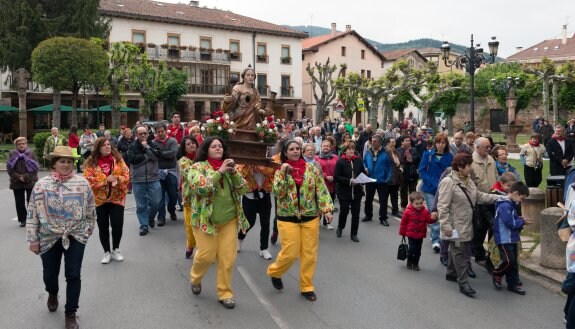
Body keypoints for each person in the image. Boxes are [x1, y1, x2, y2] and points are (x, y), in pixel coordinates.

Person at [26, 146, 96, 329]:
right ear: (54, 164)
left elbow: (90, 208)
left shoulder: (82, 183)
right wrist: (33, 239)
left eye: (69, 161)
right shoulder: (41, 185)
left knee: (73, 274)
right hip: (49, 236)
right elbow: (32, 212)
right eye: (62, 161)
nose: (66, 165)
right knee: (50, 274)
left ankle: (71, 313)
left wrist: (89, 228)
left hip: (75, 234)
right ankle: (52, 292)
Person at [267, 140, 333, 302]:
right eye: (292, 149)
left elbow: (321, 188)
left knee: (309, 254)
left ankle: (306, 286)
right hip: (287, 217)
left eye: (298, 149)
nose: (296, 151)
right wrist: (283, 173)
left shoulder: (311, 168)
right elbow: (277, 192)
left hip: (310, 216)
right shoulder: (279, 170)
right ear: (285, 152)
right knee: (290, 252)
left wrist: (327, 209)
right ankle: (275, 271)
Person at [187, 137, 249, 309]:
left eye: (220, 146)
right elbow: (203, 189)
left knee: (227, 259)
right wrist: (220, 172)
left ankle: (225, 293)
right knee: (206, 255)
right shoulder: (196, 168)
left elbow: (244, 188)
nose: (218, 148)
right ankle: (196, 277)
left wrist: (234, 173)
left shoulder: (231, 168)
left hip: (229, 220)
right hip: (205, 220)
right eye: (214, 146)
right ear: (206, 150)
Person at [437, 153, 501, 297]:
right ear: (460, 167)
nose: (471, 168)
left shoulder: (468, 180)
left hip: (467, 223)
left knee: (458, 249)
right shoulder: (448, 182)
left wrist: (500, 198)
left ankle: (451, 273)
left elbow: (479, 196)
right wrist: (446, 226)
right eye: (469, 165)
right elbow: (442, 206)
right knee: (460, 252)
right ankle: (463, 282)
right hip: (455, 227)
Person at [83, 138, 130, 264]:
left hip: (117, 198)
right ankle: (106, 252)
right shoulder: (91, 163)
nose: (107, 147)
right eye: (104, 145)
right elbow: (87, 180)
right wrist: (105, 181)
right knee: (103, 227)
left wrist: (116, 179)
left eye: (109, 144)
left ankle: (116, 249)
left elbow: (126, 176)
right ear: (98, 148)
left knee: (117, 225)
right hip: (99, 200)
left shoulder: (119, 161)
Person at [491, 182, 531, 295]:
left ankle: (512, 283)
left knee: (513, 262)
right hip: (504, 238)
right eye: (521, 198)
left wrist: (519, 218)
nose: (521, 201)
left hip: (512, 237)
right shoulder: (505, 205)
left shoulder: (510, 204)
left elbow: (512, 218)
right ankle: (497, 273)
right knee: (508, 261)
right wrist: (522, 222)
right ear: (516, 193)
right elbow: (510, 223)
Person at [418, 133, 453, 252]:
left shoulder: (449, 156)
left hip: (444, 189)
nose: (440, 145)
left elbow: (451, 172)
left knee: (444, 213)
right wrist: (430, 182)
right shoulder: (428, 154)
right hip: (430, 188)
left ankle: (441, 236)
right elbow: (422, 170)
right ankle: (436, 240)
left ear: (446, 144)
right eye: (438, 142)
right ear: (435, 143)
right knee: (434, 212)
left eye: (443, 143)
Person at [236, 163, 276, 259]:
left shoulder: (267, 163)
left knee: (265, 223)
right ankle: (240, 237)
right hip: (249, 196)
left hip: (264, 195)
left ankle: (264, 249)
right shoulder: (243, 164)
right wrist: (249, 166)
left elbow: (271, 171)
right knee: (249, 222)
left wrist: (258, 167)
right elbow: (240, 174)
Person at [127, 125, 161, 236]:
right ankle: (144, 225)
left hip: (153, 178)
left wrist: (146, 148)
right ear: (136, 135)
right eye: (140, 133)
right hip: (138, 180)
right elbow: (133, 160)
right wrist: (148, 156)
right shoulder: (132, 146)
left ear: (148, 134)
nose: (143, 135)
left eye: (144, 133)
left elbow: (157, 156)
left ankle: (150, 218)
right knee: (141, 205)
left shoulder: (153, 144)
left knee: (156, 202)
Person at [334, 141, 365, 242]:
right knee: (344, 211)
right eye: (349, 149)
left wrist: (364, 179)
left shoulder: (358, 160)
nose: (352, 151)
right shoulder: (340, 161)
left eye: (353, 149)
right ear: (344, 151)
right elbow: (336, 177)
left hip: (356, 191)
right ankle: (340, 227)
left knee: (356, 214)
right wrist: (349, 181)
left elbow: (362, 173)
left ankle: (354, 233)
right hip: (344, 192)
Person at [221, 65, 269, 130]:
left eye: (252, 75)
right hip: (238, 116)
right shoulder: (237, 88)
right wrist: (227, 101)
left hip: (251, 118)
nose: (250, 77)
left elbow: (257, 105)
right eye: (248, 75)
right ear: (243, 77)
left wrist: (261, 110)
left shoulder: (255, 91)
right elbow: (232, 103)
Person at [399, 192, 437, 271]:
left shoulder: (425, 212)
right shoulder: (407, 212)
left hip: (420, 234)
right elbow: (403, 223)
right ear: (412, 203)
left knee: (418, 250)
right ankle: (409, 260)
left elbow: (429, 220)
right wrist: (402, 233)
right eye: (417, 204)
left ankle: (416, 263)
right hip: (411, 234)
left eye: (421, 203)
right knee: (412, 248)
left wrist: (433, 218)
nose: (419, 205)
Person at [7, 137, 39, 227]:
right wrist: (18, 177)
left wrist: (25, 177)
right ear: (16, 145)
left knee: (31, 201)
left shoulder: (31, 153)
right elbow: (9, 168)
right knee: (19, 202)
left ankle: (31, 219)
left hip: (30, 181)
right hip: (16, 182)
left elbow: (35, 167)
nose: (21, 145)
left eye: (23, 143)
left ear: (26, 144)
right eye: (19, 144)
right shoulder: (12, 154)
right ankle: (22, 219)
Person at [152, 122, 179, 225]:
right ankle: (161, 217)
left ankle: (171, 210)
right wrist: (161, 154)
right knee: (160, 196)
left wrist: (160, 154)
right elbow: (153, 155)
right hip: (158, 172)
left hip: (171, 171)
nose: (160, 133)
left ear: (165, 130)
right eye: (158, 132)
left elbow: (173, 153)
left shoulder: (172, 141)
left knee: (173, 195)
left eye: (162, 131)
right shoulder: (154, 142)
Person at [363, 134, 392, 226]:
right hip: (370, 179)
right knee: (368, 199)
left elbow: (390, 166)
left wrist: (387, 178)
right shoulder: (368, 152)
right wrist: (365, 168)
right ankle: (368, 215)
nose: (372, 142)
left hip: (382, 180)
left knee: (383, 200)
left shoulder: (386, 152)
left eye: (375, 141)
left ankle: (383, 218)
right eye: (372, 141)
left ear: (380, 143)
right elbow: (364, 162)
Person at [178, 135, 199, 259]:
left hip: (203, 199)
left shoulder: (203, 158)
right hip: (189, 199)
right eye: (188, 144)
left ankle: (203, 249)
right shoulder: (183, 161)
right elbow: (190, 174)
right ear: (184, 148)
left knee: (203, 225)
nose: (191, 146)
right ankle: (190, 244)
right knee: (190, 225)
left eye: (193, 143)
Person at [315, 139, 338, 229]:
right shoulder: (316, 158)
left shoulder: (335, 157)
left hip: (333, 184)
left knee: (330, 203)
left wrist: (333, 176)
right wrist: (325, 176)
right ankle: (317, 221)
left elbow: (338, 168)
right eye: (324, 146)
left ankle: (327, 222)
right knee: (319, 203)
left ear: (331, 148)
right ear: (321, 147)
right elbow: (316, 170)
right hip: (322, 185)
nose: (326, 147)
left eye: (328, 146)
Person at [397, 136, 420, 210]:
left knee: (413, 191)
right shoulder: (399, 150)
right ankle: (403, 206)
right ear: (402, 142)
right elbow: (400, 160)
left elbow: (416, 159)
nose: (408, 142)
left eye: (409, 141)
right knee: (403, 191)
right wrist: (406, 156)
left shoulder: (414, 149)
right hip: (404, 174)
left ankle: (412, 206)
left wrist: (411, 159)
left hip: (413, 173)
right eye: (406, 141)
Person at [385, 137, 402, 217]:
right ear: (388, 143)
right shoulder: (385, 152)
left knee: (394, 196)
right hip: (388, 178)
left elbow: (402, 162)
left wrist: (401, 168)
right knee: (385, 196)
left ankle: (395, 211)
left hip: (396, 177)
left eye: (394, 142)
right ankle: (383, 211)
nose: (394, 144)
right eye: (392, 142)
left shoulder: (397, 152)